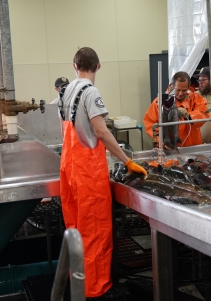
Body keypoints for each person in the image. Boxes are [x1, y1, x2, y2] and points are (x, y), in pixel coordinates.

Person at [58, 47, 146, 299]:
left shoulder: (65, 91)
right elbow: (101, 132)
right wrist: (127, 161)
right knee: (94, 231)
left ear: (74, 65)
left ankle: (77, 281)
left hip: (69, 169)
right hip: (87, 173)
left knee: (75, 228)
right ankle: (96, 290)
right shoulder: (90, 92)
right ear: (98, 66)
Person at [143, 71, 209, 147]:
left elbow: (204, 113)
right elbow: (150, 123)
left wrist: (189, 115)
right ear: (173, 86)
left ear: (188, 87)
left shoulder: (195, 99)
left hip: (192, 147)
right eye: (178, 90)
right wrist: (162, 142)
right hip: (168, 148)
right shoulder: (160, 102)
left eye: (184, 90)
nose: (181, 93)